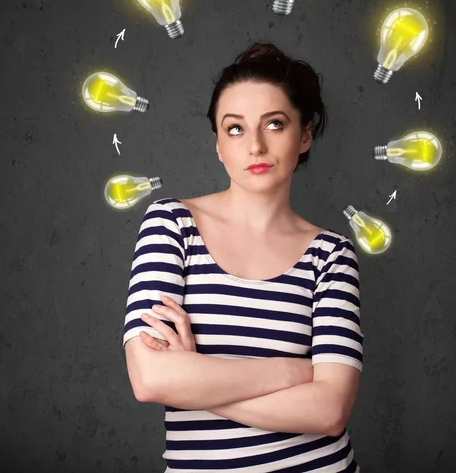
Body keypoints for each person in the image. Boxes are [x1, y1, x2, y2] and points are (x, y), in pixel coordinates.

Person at [123, 42, 364, 472]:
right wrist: (292, 372)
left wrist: (196, 378)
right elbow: (151, 379)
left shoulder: (332, 254)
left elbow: (328, 411)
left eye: (274, 124)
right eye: (234, 128)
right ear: (217, 142)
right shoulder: (171, 223)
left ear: (305, 135)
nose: (254, 144)